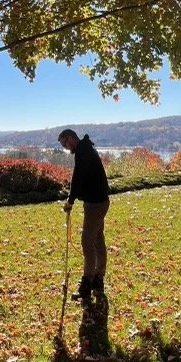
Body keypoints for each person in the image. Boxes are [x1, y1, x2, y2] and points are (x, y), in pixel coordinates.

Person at [58, 128, 110, 301]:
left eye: (65, 143)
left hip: (96, 204)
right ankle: (98, 280)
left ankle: (87, 284)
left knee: (87, 242)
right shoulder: (85, 149)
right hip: (97, 202)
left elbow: (77, 178)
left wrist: (70, 200)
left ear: (71, 139)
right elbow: (80, 177)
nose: (65, 148)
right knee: (97, 240)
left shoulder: (83, 151)